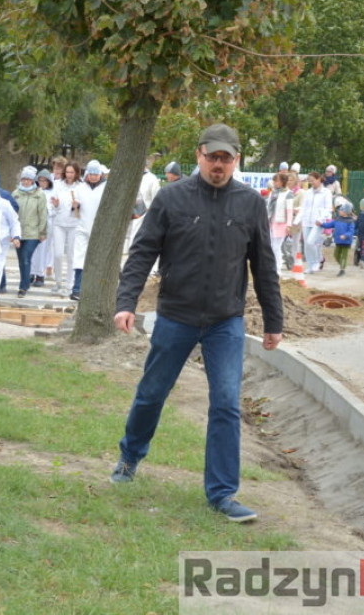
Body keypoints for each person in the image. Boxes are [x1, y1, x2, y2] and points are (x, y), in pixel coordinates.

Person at [111, 123, 283, 522]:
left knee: (225, 402)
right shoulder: (172, 198)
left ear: (236, 160)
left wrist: (274, 320)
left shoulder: (251, 204)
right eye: (212, 157)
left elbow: (264, 266)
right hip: (176, 316)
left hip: (226, 321)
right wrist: (126, 303)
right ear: (199, 155)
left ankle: (222, 494)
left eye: (226, 158)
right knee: (152, 393)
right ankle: (129, 457)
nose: (218, 165)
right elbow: (142, 253)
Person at [70, 159, 107, 300]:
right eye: (91, 174)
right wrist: (75, 205)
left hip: (99, 229)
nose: (93, 176)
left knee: (98, 260)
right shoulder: (80, 188)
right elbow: (75, 208)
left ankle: (97, 291)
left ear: (100, 174)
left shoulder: (106, 187)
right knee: (79, 258)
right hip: (83, 226)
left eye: (96, 174)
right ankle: (77, 289)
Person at [14, 166, 47, 297]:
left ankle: (23, 287)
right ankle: (25, 282)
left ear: (33, 180)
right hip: (19, 232)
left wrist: (42, 232)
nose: (26, 182)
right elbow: (12, 213)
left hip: (33, 233)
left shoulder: (39, 195)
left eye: (28, 179)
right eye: (24, 179)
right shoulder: (16, 193)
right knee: (21, 260)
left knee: (26, 258)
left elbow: (43, 214)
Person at [50, 161, 81, 296]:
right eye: (67, 172)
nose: (69, 175)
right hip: (59, 223)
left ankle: (69, 284)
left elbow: (83, 206)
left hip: (74, 224)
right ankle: (58, 282)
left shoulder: (81, 187)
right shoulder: (58, 185)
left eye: (71, 172)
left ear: (76, 173)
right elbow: (53, 206)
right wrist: (56, 205)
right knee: (57, 254)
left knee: (71, 255)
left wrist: (77, 206)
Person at [299, 171, 332, 274]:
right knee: (307, 245)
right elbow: (304, 207)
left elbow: (328, 208)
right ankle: (310, 265)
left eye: (313, 180)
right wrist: (299, 219)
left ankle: (317, 262)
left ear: (318, 179)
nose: (311, 183)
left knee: (311, 242)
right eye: (309, 181)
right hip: (306, 221)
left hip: (317, 222)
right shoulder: (308, 192)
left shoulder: (326, 192)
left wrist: (321, 219)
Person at [29, 169, 55, 287]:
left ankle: (40, 274)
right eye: (40, 180)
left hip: (46, 224)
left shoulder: (53, 194)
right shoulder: (32, 192)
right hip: (33, 223)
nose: (42, 183)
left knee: (43, 250)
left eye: (45, 181)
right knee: (31, 249)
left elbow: (54, 210)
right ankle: (30, 273)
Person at [318, 200, 356, 278]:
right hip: (338, 241)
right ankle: (342, 266)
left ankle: (342, 269)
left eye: (341, 210)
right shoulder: (337, 219)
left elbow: (351, 231)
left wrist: (345, 235)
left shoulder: (350, 221)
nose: (339, 211)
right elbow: (329, 225)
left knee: (344, 256)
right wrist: (322, 224)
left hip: (346, 242)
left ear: (345, 212)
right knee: (336, 255)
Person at [266, 172, 292, 274]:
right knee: (271, 246)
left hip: (281, 223)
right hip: (271, 221)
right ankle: (272, 267)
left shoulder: (288, 194)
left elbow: (289, 210)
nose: (274, 183)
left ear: (282, 182)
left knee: (276, 247)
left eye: (276, 181)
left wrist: (289, 225)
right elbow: (268, 207)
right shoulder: (273, 192)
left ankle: (277, 268)